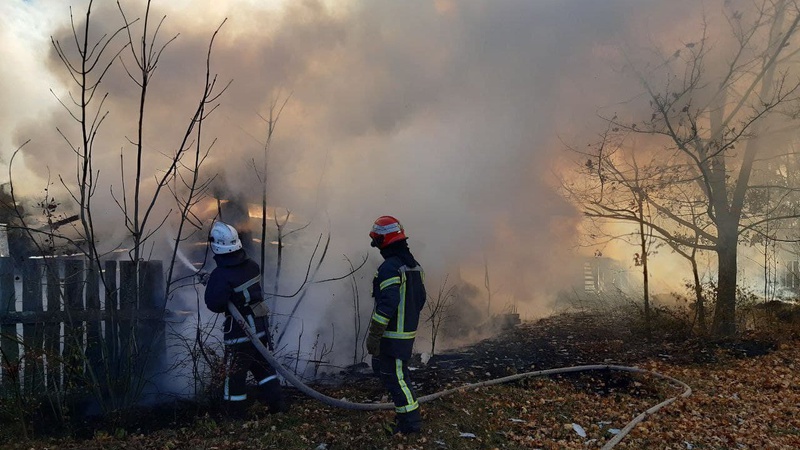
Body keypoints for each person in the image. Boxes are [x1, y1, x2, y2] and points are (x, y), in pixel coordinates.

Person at [203, 220, 287, 416]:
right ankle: (278, 405)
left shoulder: (221, 275)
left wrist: (213, 283)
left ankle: (234, 416)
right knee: (263, 368)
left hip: (240, 333)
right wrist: (214, 282)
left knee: (233, 376)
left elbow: (214, 304)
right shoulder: (251, 266)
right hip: (259, 327)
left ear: (216, 245)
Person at [366, 215, 427, 434]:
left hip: (392, 336)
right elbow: (420, 300)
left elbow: (388, 303)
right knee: (394, 377)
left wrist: (375, 333)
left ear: (384, 241)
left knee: (398, 380)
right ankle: (405, 419)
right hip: (405, 334)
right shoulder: (414, 266)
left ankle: (410, 424)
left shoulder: (389, 268)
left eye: (377, 242)